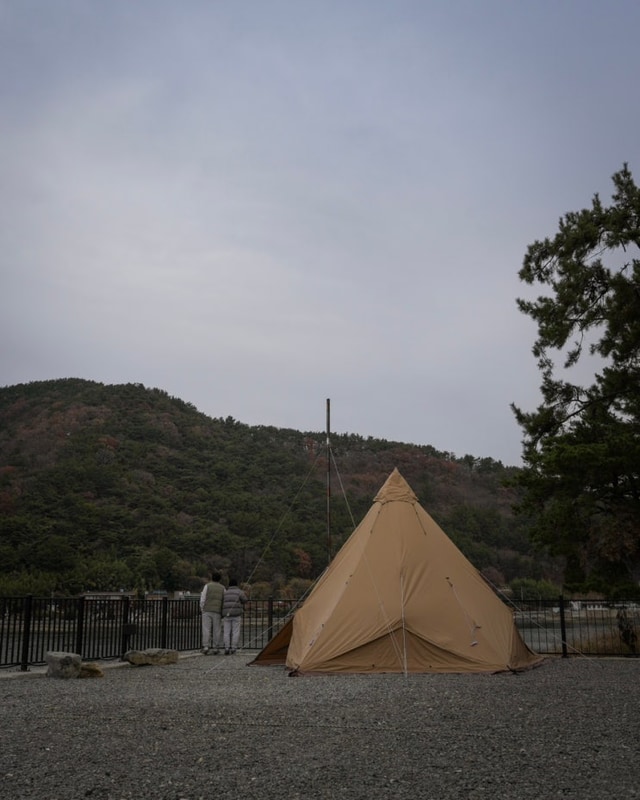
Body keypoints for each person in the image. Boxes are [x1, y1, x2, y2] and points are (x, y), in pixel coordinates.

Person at [199, 571, 224, 655]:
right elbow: (224, 600)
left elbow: (203, 598)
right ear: (220, 579)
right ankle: (216, 647)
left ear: (212, 578)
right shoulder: (222, 588)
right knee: (217, 629)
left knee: (206, 629)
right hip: (217, 611)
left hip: (207, 610)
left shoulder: (207, 586)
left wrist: (202, 609)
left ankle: (206, 646)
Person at [222, 578, 248, 655]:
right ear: (236, 584)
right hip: (236, 614)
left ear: (229, 585)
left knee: (226, 632)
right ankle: (233, 648)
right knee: (235, 631)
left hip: (226, 614)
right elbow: (245, 600)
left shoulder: (225, 593)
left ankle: (226, 648)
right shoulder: (239, 592)